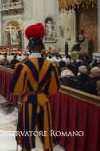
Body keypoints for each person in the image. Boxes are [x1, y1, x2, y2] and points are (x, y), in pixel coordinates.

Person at [9, 23, 61, 151]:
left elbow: (16, 90)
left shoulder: (22, 67)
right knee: (47, 131)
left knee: (27, 131)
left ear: (30, 49)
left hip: (28, 102)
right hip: (44, 101)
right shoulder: (51, 66)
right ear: (42, 49)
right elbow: (54, 89)